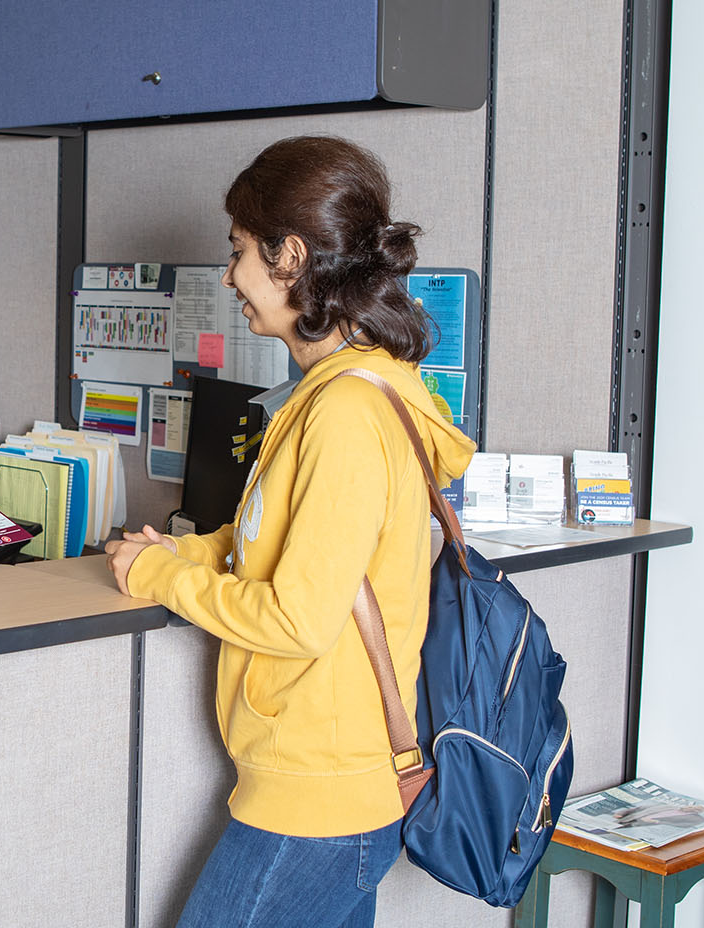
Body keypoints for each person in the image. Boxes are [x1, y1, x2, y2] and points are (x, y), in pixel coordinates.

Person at [104, 136, 475, 927]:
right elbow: (274, 539)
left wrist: (159, 578)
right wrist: (182, 551)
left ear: (291, 256)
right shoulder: (341, 391)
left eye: (239, 251)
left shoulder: (345, 412)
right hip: (337, 787)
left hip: (320, 798)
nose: (232, 276)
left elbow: (298, 619)